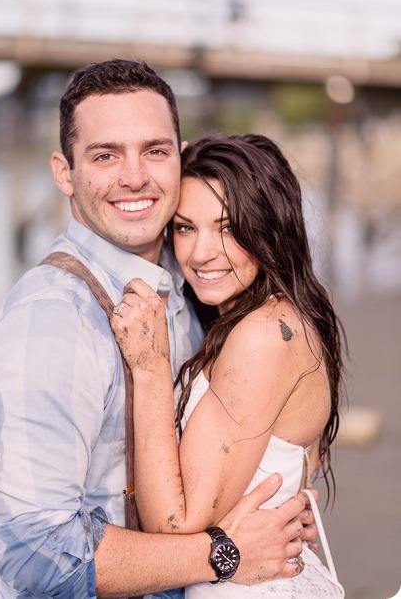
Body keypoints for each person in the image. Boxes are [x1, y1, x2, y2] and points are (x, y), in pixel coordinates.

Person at [0, 61, 314, 599]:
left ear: (179, 156)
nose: (134, 177)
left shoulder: (191, 283)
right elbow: (34, 556)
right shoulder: (51, 324)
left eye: (154, 150)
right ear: (64, 173)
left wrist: (282, 496)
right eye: (105, 155)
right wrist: (225, 553)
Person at [110, 133, 346, 597]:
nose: (201, 253)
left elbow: (174, 526)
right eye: (184, 227)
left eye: (227, 227)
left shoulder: (263, 335)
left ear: (269, 227)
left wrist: (151, 368)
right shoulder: (263, 321)